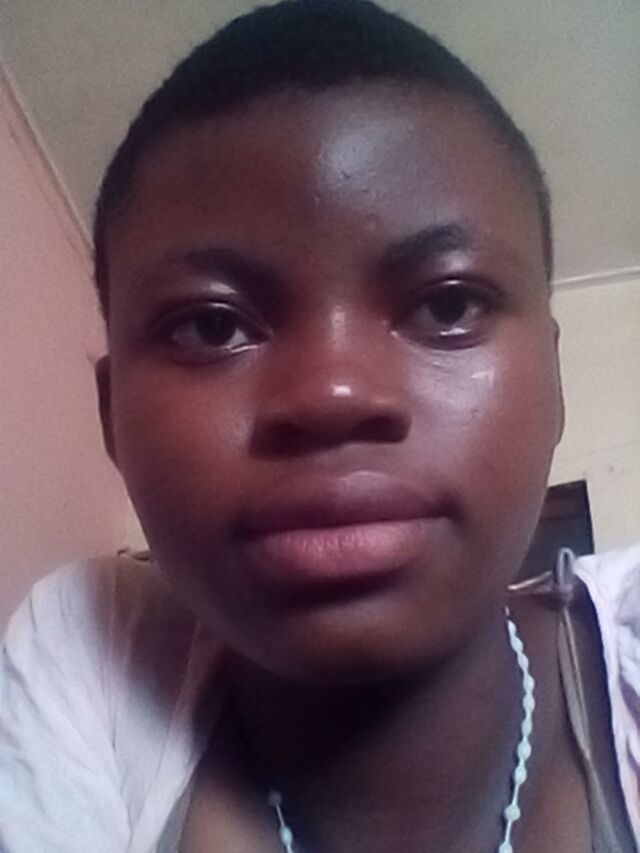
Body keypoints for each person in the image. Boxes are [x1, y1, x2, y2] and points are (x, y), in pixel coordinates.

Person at [1, 1, 639, 850]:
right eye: (212, 326)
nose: (333, 393)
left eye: (448, 305)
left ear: (555, 383)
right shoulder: (91, 650)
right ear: (111, 416)